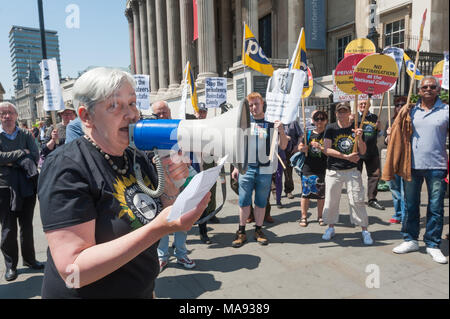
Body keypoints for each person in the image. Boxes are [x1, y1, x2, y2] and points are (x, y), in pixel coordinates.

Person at [37, 68, 210, 298]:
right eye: (115, 106)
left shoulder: (136, 156)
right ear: (86, 116)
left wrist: (171, 187)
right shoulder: (66, 167)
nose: (131, 114)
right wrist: (158, 229)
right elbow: (73, 271)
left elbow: (163, 209)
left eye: (132, 103)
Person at [392, 76, 448, 264]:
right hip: (411, 166)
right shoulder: (410, 110)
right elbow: (396, 133)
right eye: (425, 86)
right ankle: (410, 239)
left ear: (438, 90)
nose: (429, 89)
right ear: (418, 90)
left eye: (433, 86)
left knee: (435, 207)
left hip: (437, 166)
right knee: (410, 205)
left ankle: (432, 244)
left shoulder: (446, 110)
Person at [231, 92, 288, 248]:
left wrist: (281, 130)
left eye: (256, 104)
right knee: (243, 201)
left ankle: (258, 230)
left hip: (265, 170)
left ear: (262, 104)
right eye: (251, 105)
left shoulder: (271, 125)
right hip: (247, 169)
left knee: (261, 203)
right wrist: (236, 166)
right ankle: (241, 231)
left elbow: (283, 146)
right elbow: (238, 147)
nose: (254, 107)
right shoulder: (244, 124)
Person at [151, 100, 197, 271]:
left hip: (180, 174)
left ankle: (181, 254)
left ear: (170, 112)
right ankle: (162, 256)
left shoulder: (178, 128)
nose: (162, 115)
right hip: (161, 180)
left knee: (182, 216)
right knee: (163, 218)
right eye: (158, 113)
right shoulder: (149, 132)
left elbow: (187, 156)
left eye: (164, 112)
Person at [0, 102, 44, 282]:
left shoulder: (26, 134)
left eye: (10, 112)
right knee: (8, 228)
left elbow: (34, 155)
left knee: (27, 225)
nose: (7, 116)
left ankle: (29, 259)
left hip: (26, 184)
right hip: (4, 186)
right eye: (3, 113)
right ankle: (11, 266)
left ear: (16, 115)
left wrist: (9, 161)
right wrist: (20, 154)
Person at [321, 102, 373, 245]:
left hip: (352, 170)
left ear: (350, 112)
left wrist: (360, 138)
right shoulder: (331, 128)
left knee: (357, 200)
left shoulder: (355, 128)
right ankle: (330, 227)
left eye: (345, 111)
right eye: (340, 111)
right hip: (334, 170)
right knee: (331, 201)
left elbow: (362, 151)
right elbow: (327, 149)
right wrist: (345, 156)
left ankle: (364, 230)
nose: (342, 114)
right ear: (336, 113)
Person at [297, 110, 328, 227]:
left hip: (322, 168)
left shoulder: (328, 133)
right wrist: (302, 148)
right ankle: (303, 216)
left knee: (321, 194)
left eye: (322, 118)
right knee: (306, 193)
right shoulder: (308, 133)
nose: (319, 121)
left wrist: (320, 147)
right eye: (317, 119)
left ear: (326, 120)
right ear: (313, 121)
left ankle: (320, 216)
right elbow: (299, 146)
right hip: (308, 167)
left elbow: (331, 150)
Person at [193, 103, 217, 245]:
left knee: (207, 195)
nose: (201, 114)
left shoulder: (211, 126)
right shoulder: (190, 126)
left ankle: (204, 229)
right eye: (199, 112)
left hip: (208, 161)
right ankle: (181, 234)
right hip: (193, 163)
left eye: (203, 112)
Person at [356, 99, 385, 210]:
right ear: (358, 106)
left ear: (369, 105)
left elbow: (379, 134)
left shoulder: (374, 117)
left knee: (374, 175)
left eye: (365, 104)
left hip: (372, 151)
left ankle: (372, 199)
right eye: (361, 104)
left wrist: (379, 128)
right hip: (357, 151)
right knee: (356, 175)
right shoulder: (354, 117)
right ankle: (357, 198)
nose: (363, 105)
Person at [384, 96, 407, 224]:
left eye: (402, 104)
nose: (399, 107)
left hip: (404, 160)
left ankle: (405, 215)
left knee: (404, 190)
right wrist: (388, 135)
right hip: (392, 160)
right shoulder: (391, 121)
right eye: (397, 105)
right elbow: (387, 143)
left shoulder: (410, 120)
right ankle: (398, 213)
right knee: (394, 188)